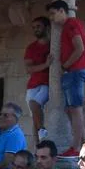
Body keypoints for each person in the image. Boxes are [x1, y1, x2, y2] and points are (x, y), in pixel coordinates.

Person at [47, 0, 85, 156]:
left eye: (53, 13)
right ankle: (84, 142)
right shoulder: (69, 25)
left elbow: (79, 47)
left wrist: (65, 65)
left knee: (75, 109)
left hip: (75, 71)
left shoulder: (71, 24)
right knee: (71, 109)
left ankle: (77, 147)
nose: (52, 18)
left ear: (62, 10)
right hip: (73, 71)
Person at [24, 16, 52, 145]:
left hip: (47, 83)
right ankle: (38, 146)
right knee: (35, 118)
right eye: (34, 27)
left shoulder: (54, 45)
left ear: (46, 27)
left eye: (38, 26)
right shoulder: (31, 47)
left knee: (34, 104)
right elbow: (28, 68)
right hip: (32, 85)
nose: (36, 29)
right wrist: (45, 65)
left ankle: (42, 131)